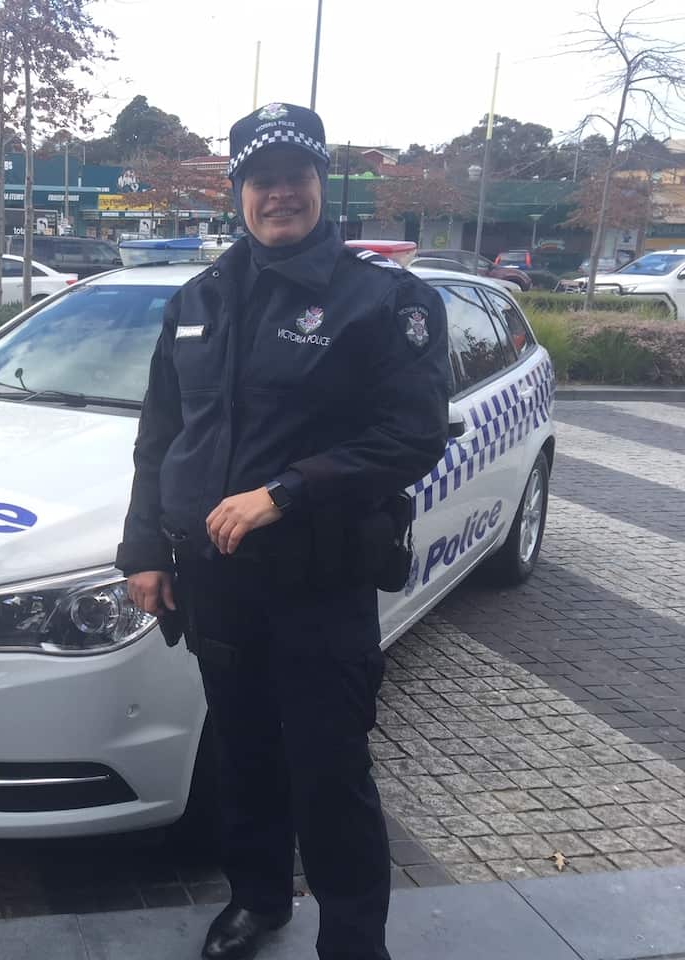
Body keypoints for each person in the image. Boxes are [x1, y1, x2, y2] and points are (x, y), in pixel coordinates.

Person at [117, 103, 450, 960]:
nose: (280, 195)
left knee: (328, 772)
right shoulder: (197, 301)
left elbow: (410, 435)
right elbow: (160, 436)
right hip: (218, 584)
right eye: (262, 180)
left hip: (317, 580)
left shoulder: (383, 301)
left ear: (320, 184)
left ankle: (351, 939)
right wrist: (145, 549)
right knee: (243, 755)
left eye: (296, 177)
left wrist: (286, 492)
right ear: (237, 192)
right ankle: (259, 901)